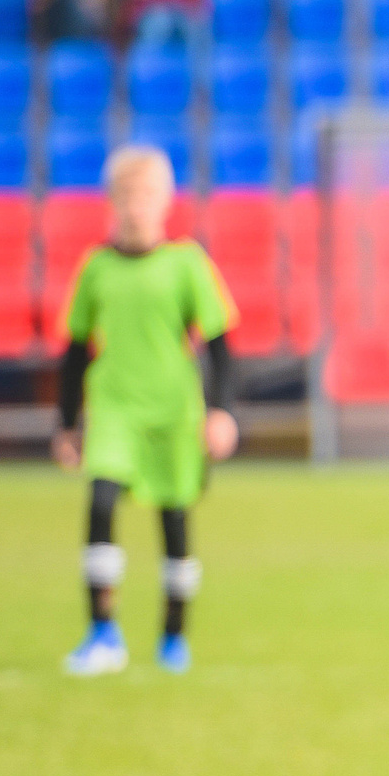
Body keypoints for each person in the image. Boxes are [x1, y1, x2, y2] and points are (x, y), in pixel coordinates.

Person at [51, 147, 240, 678]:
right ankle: (102, 632)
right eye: (128, 196)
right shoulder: (97, 268)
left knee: (174, 521)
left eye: (148, 196)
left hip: (173, 412)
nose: (137, 207)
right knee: (101, 502)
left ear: (165, 202)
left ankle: (174, 635)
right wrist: (67, 423)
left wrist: (221, 411)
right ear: (113, 202)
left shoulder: (186, 264)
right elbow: (74, 349)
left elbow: (221, 342)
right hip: (113, 408)